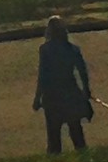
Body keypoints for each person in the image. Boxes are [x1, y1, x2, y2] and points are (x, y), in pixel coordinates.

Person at [33, 15, 93, 153]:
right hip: (70, 91)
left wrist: (37, 97)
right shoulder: (73, 49)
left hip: (52, 94)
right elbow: (82, 71)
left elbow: (43, 75)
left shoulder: (45, 50)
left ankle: (56, 160)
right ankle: (84, 156)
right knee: (76, 130)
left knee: (53, 134)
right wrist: (86, 90)